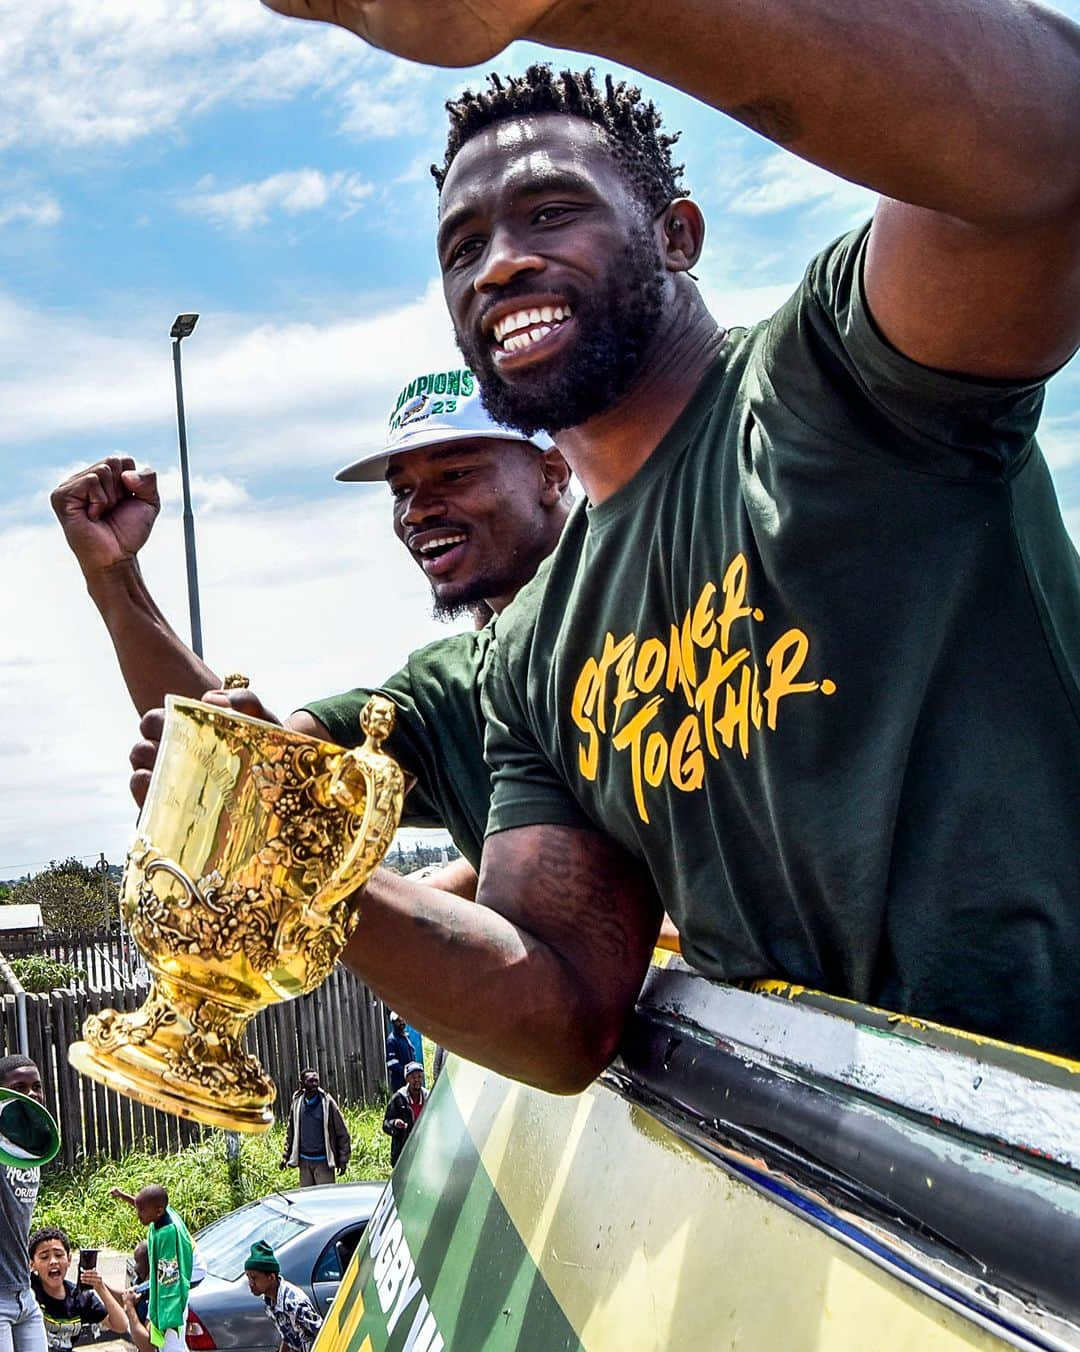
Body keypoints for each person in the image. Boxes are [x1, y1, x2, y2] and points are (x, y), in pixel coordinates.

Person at [240, 2, 1080, 1081]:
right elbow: (558, 1010)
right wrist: (300, 865)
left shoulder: (837, 385)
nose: (498, 265)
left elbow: (1053, 148)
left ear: (677, 235)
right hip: (845, 1208)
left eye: (551, 212)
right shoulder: (535, 654)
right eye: (463, 248)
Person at [55, 368, 571, 879]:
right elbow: (257, 771)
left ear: (553, 472)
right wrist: (112, 575)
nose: (416, 512)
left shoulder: (643, 593)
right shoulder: (447, 691)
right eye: (401, 491)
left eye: (455, 474)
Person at [108, 1186, 192, 1352]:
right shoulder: (160, 1214)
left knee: (165, 1343)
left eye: (141, 1211)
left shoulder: (167, 1234)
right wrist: (124, 1196)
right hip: (164, 1285)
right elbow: (147, 1205)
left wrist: (162, 1315)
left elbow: (169, 1277)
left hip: (170, 1294)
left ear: (159, 1211)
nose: (138, 1215)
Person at [0, 1057, 47, 1352]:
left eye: (36, 1087)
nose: (31, 1094)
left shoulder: (33, 1151)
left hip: (24, 1292)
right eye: (19, 1087)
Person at [26, 1228, 126, 1350]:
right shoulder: (28, 1290)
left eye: (58, 1255)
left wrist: (100, 1287)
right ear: (32, 1264)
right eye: (44, 1257)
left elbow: (121, 1325)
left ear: (69, 1260)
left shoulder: (81, 1297)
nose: (53, 1261)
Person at [243, 1241, 322, 1352]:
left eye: (254, 1278)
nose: (251, 1283)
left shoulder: (295, 1304)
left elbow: (322, 1332)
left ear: (271, 1277)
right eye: (248, 1277)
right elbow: (287, 1336)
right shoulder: (270, 1302)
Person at [280, 1069, 351, 1187]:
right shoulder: (297, 1103)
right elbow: (291, 1132)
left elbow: (342, 1133)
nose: (314, 1084)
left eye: (316, 1081)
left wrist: (343, 1159)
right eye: (310, 1081)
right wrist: (285, 1156)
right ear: (302, 1084)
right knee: (307, 1200)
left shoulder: (327, 1103)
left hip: (323, 1162)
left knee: (326, 1200)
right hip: (304, 1163)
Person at [382, 1063, 428, 1166]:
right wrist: (394, 1123)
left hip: (424, 1151)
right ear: (407, 1079)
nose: (417, 1080)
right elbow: (386, 1124)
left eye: (419, 1076)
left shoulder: (428, 1097)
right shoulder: (398, 1098)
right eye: (413, 1077)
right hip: (403, 1151)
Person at [385, 1014, 420, 1093]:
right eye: (398, 1021)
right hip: (400, 1082)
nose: (401, 1022)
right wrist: (406, 1073)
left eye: (403, 1020)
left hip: (410, 1080)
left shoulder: (405, 1037)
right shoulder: (392, 1040)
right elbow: (391, 1063)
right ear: (393, 1023)